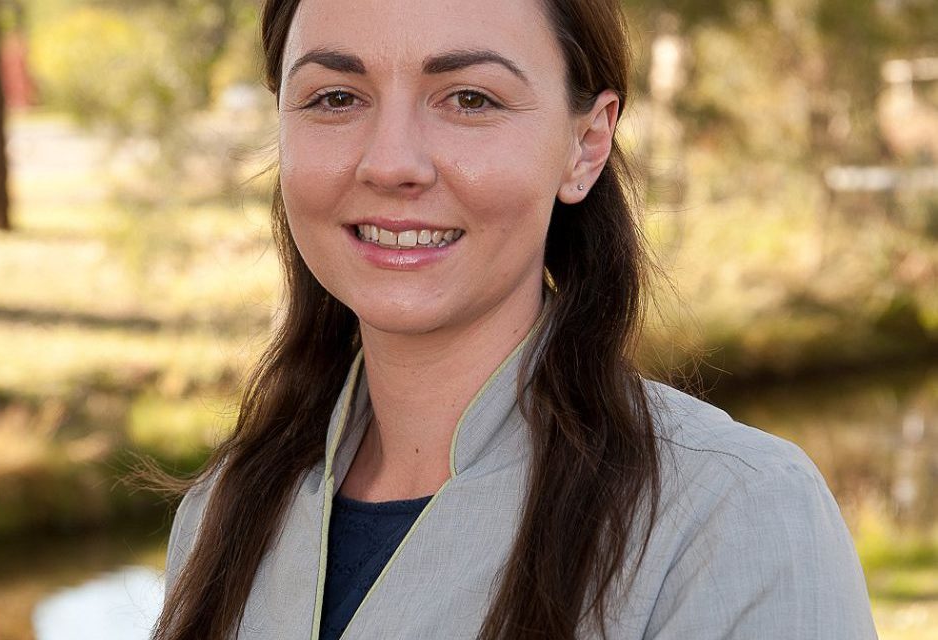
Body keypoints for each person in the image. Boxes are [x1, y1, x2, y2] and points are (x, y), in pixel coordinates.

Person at [154, 0, 878, 638]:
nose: (391, 162)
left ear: (585, 146)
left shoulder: (734, 516)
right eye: (335, 97)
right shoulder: (226, 512)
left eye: (469, 99)